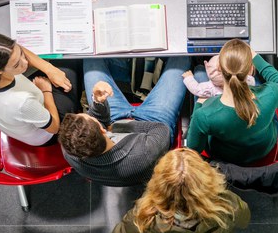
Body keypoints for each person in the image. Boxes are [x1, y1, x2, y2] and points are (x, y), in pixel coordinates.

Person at [58, 57, 190, 186]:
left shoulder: (71, 148)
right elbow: (162, 129)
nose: (90, 112)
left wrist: (98, 103)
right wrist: (120, 126)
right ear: (103, 131)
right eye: (90, 116)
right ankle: (141, 71)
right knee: (181, 60)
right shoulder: (143, 154)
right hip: (152, 125)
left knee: (91, 57)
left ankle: (134, 72)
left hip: (113, 121)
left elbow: (101, 122)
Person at [110, 148, 251, 233]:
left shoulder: (143, 220)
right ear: (207, 179)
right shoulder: (227, 205)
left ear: (158, 184)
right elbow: (244, 219)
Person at [187, 39, 278, 166]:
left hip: (225, 157)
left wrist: (199, 104)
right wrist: (256, 58)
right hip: (263, 150)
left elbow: (194, 150)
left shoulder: (204, 114)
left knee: (199, 71)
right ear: (250, 71)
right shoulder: (271, 93)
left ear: (219, 68)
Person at [0, 32, 81, 146]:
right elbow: (54, 127)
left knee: (58, 68)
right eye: (16, 65)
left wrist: (49, 69)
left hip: (22, 114)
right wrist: (46, 91)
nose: (26, 63)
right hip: (47, 133)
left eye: (21, 54)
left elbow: (14, 50)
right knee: (68, 66)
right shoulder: (23, 102)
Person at [182, 55, 255, 98]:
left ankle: (198, 63)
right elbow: (250, 79)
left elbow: (196, 89)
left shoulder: (210, 88)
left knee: (199, 70)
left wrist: (188, 78)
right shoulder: (245, 82)